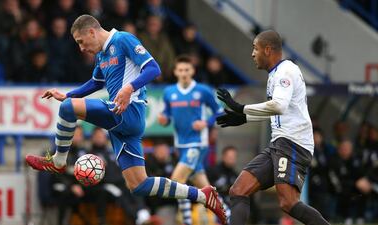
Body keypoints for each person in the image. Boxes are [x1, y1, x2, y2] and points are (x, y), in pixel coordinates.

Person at [24, 14, 226, 224]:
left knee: (68, 109)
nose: (81, 48)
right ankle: (203, 195)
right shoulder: (102, 55)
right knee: (139, 185)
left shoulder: (123, 40)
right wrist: (67, 95)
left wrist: (129, 88)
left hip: (129, 112)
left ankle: (58, 161)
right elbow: (95, 83)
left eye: (81, 42)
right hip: (120, 123)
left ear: (92, 31)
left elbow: (153, 68)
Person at [216, 30, 330, 225]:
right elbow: (277, 111)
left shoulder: (286, 71)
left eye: (255, 48)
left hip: (294, 143)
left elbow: (279, 105)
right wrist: (244, 117)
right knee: (238, 190)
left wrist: (240, 107)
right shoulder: (274, 74)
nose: (252, 54)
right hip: (279, 144)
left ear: (267, 50)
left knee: (288, 203)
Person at [157, 55, 228, 225]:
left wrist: (206, 122)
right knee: (205, 189)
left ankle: (186, 221)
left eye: (187, 70)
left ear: (193, 71)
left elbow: (220, 111)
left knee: (176, 181)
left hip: (197, 143)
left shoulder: (202, 90)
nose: (183, 73)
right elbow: (166, 115)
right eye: (180, 70)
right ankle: (228, 215)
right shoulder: (169, 92)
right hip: (180, 144)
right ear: (175, 72)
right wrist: (164, 119)